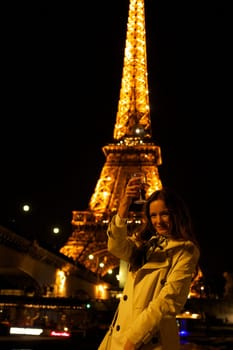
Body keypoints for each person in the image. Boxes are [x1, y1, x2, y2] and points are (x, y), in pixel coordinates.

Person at [98, 177, 200, 350]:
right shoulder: (145, 245)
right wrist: (124, 207)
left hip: (147, 340)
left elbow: (168, 301)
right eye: (153, 215)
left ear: (176, 214)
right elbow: (115, 246)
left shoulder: (185, 250)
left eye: (164, 214)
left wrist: (135, 339)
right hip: (119, 337)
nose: (158, 221)